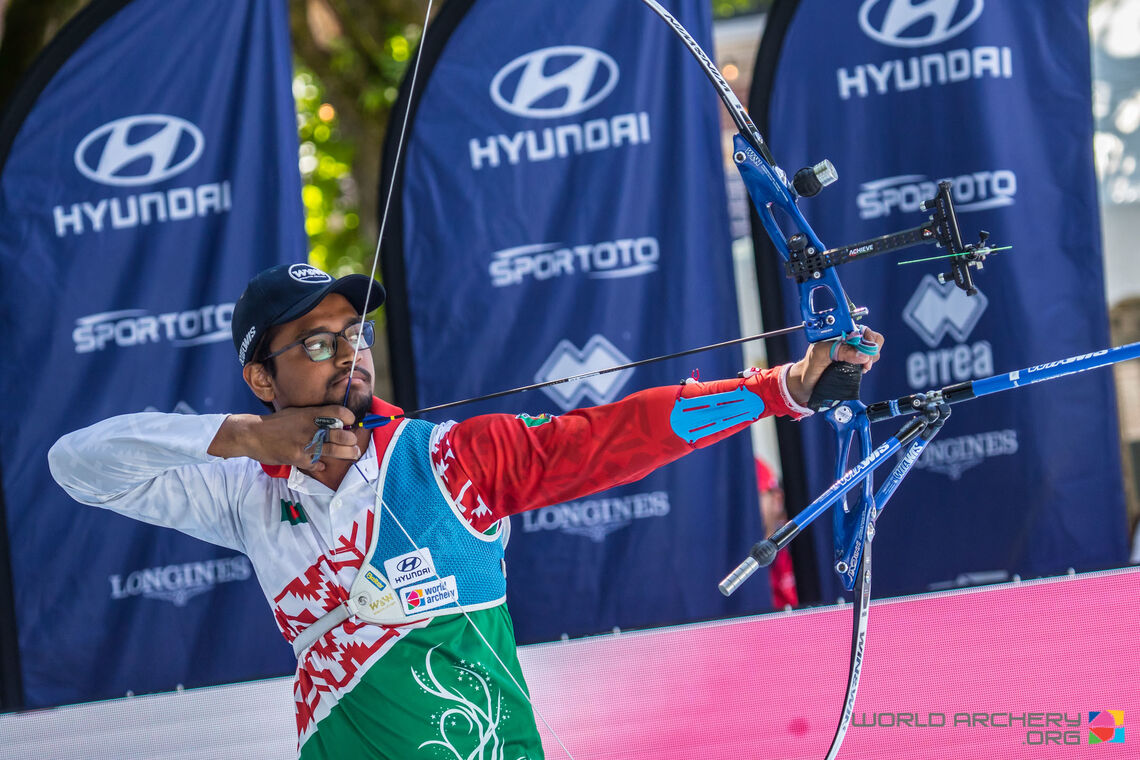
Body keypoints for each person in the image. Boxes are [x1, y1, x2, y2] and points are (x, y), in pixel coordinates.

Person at [48, 263, 883, 759]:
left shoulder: (450, 459)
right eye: (315, 343)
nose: (348, 355)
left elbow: (609, 435)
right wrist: (250, 441)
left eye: (354, 335)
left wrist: (784, 389)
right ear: (262, 380)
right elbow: (78, 465)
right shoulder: (246, 491)